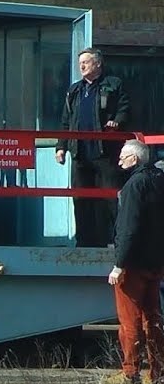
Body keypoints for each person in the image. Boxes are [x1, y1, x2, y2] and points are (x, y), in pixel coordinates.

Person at [55, 47, 130, 247]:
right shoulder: (75, 90)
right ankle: (84, 242)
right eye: (80, 63)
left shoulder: (113, 84)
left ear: (98, 64)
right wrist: (60, 147)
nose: (81, 66)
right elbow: (65, 121)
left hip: (104, 153)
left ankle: (116, 241)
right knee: (80, 200)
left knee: (110, 199)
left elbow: (125, 109)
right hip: (79, 154)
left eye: (86, 62)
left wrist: (117, 122)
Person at [106, 139, 164, 384]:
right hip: (156, 262)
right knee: (154, 319)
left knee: (129, 321)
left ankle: (130, 373)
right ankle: (158, 374)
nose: (119, 161)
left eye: (123, 156)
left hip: (133, 264)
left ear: (135, 159)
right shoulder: (160, 180)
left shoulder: (133, 186)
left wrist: (119, 264)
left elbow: (129, 228)